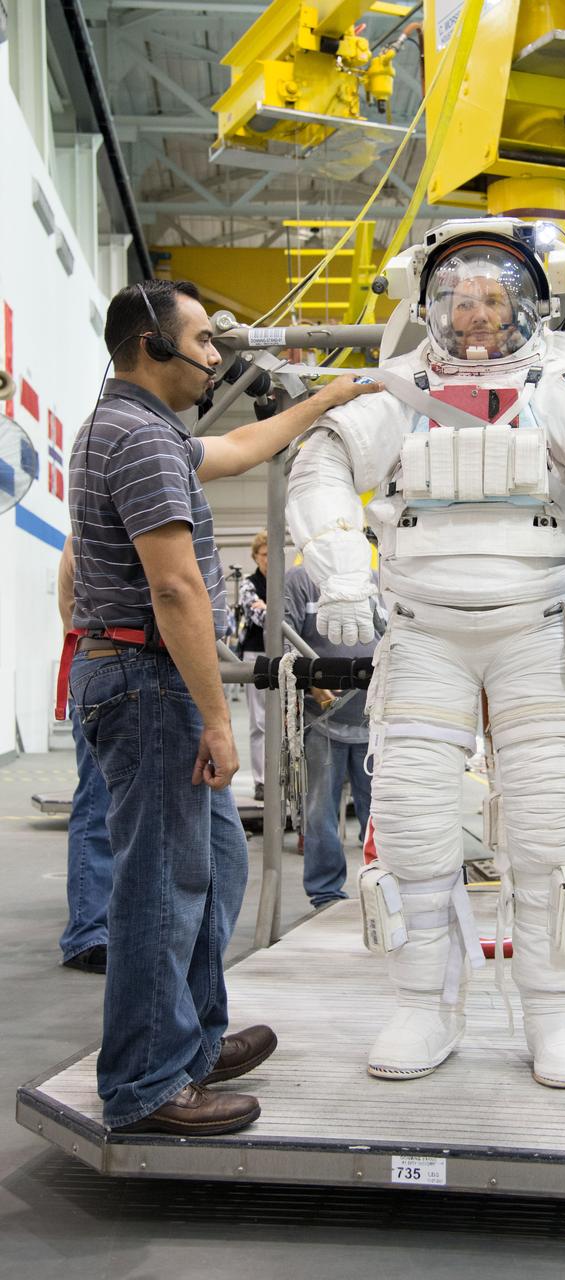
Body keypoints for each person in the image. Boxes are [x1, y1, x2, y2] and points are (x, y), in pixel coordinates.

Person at [287, 218, 565, 1088]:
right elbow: (319, 465)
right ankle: (423, 1004)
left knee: (550, 829)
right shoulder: (399, 388)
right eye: (457, 297)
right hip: (424, 632)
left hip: (538, 629)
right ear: (430, 304)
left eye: (491, 296)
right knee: (414, 826)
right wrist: (342, 572)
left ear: (529, 302)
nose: (473, 314)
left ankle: (557, 1014)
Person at [65, 277, 380, 1135]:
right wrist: (213, 717)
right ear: (147, 347)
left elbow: (241, 448)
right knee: (160, 886)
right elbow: (174, 589)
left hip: (142, 677)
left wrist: (330, 398)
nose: (217, 355)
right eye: (203, 341)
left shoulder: (146, 431)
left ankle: (191, 1040)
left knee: (213, 866)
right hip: (148, 683)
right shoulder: (136, 439)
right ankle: (147, 1083)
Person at [284, 562, 374, 909]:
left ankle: (383, 883)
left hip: (372, 720)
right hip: (322, 720)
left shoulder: (371, 578)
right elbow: (282, 636)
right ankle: (326, 893)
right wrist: (316, 686)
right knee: (320, 809)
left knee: (381, 810)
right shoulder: (300, 581)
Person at [57, 541, 113, 974]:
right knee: (97, 806)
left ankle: (100, 925)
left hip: (101, 667)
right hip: (105, 667)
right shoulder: (86, 532)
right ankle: (88, 932)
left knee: (105, 809)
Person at [239, 530, 268, 801]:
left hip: (283, 656)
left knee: (283, 723)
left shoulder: (287, 582)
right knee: (259, 722)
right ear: (255, 556)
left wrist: (268, 608)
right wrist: (274, 611)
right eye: (264, 554)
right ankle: (261, 781)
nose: (268, 559)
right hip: (255, 656)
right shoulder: (248, 585)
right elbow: (258, 617)